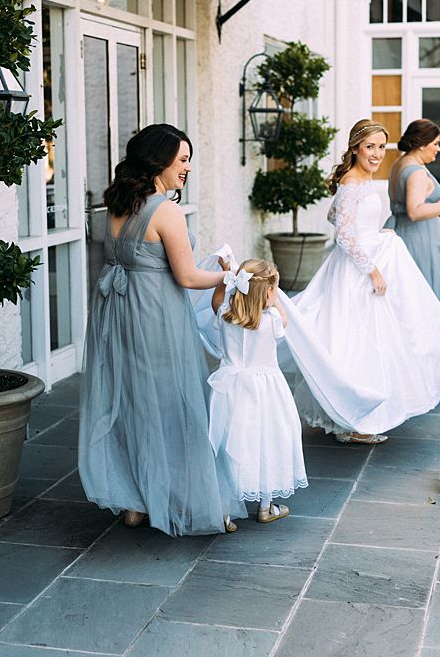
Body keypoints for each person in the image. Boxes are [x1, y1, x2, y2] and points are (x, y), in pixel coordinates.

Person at [78, 124, 246, 536]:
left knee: (131, 403)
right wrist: (231, 277)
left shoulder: (117, 204)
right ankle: (193, 502)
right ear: (159, 161)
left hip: (116, 315)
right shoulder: (165, 210)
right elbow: (187, 277)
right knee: (175, 405)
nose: (187, 168)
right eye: (183, 159)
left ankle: (136, 500)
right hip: (155, 317)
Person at [288, 119, 440, 443]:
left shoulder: (357, 179)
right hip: (358, 270)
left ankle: (359, 415)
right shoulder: (352, 183)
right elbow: (343, 235)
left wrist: (373, 231)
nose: (375, 153)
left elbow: (337, 217)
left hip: (369, 252)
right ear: (355, 147)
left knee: (373, 340)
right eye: (369, 146)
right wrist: (372, 269)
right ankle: (354, 419)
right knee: (358, 342)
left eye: (380, 147)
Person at [208, 259, 308, 525]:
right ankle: (266, 506)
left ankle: (226, 511)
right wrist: (273, 300)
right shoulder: (272, 320)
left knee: (231, 444)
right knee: (267, 442)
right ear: (267, 293)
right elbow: (284, 318)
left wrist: (226, 276)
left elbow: (216, 301)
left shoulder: (226, 315)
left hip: (229, 389)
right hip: (266, 392)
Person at [386, 119, 440, 305]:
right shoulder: (416, 172)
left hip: (403, 232)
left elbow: (420, 199)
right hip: (419, 238)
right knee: (424, 295)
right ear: (421, 145)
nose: (439, 149)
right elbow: (415, 211)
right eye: (435, 144)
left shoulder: (400, 163)